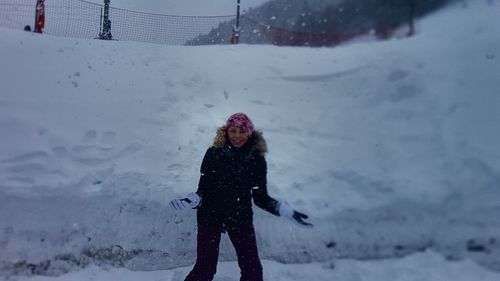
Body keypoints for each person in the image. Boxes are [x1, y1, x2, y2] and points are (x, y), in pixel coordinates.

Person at [170, 112, 313, 281]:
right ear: (226, 132)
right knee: (205, 269)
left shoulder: (256, 159)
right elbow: (203, 189)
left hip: (240, 215)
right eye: (233, 131)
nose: (237, 136)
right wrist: (194, 199)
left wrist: (283, 209)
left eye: (242, 131)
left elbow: (260, 197)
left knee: (252, 270)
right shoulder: (213, 153)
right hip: (210, 214)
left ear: (249, 132)